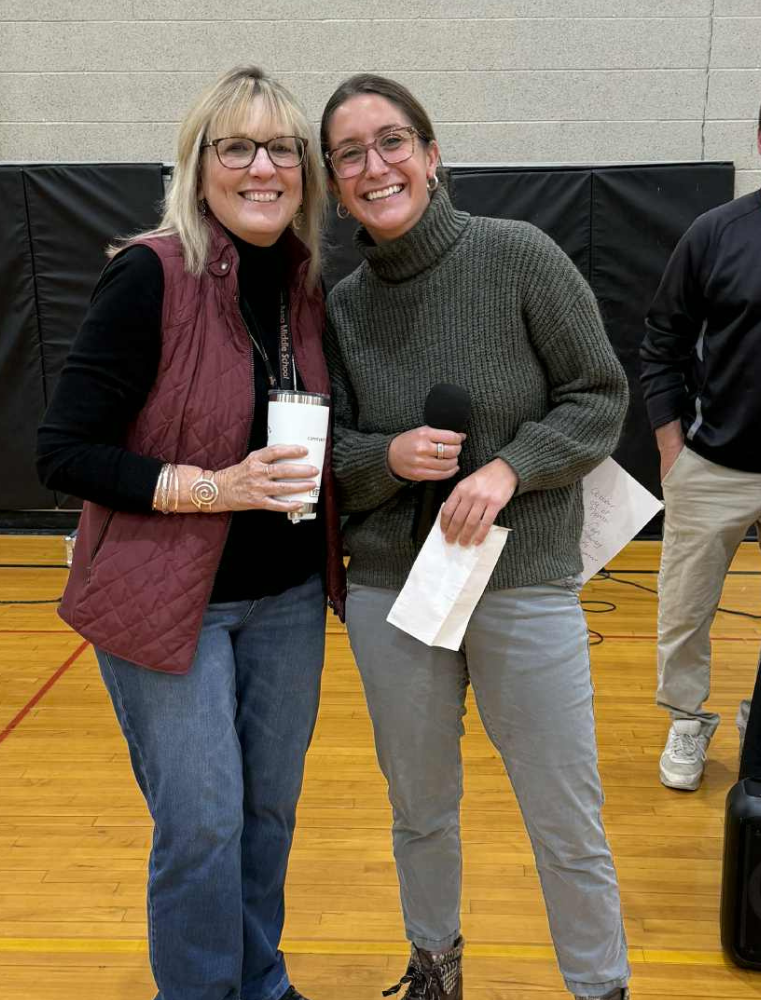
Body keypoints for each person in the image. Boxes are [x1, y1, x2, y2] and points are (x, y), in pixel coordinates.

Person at [37, 65, 345, 1000]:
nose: (263, 167)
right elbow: (63, 452)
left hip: (286, 601)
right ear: (199, 166)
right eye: (237, 147)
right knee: (203, 824)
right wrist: (215, 487)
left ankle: (261, 981)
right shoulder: (149, 274)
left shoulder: (304, 282)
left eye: (282, 149)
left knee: (267, 812)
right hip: (172, 603)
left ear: (304, 172)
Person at [320, 74, 631, 1000]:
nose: (375, 166)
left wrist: (508, 468)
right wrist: (391, 459)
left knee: (563, 815)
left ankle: (599, 986)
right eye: (350, 154)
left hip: (522, 576)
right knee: (420, 810)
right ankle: (435, 967)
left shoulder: (518, 256)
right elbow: (326, 456)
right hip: (392, 586)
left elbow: (600, 396)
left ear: (432, 152)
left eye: (392, 141)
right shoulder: (340, 306)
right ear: (335, 184)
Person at [641, 72, 761, 792]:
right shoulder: (715, 233)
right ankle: (688, 720)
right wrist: (672, 449)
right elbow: (661, 341)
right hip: (713, 466)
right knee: (686, 612)